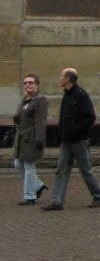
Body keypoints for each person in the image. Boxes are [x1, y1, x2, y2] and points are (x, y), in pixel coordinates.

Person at [41, 68, 100, 210]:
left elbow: (90, 117)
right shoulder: (67, 94)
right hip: (67, 140)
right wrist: (62, 133)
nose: (59, 78)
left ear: (68, 79)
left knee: (85, 169)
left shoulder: (81, 95)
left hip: (79, 140)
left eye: (62, 76)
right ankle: (57, 201)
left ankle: (99, 195)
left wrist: (75, 131)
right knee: (61, 169)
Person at [13, 73, 48, 205]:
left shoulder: (40, 100)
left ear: (37, 85)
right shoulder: (24, 100)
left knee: (29, 166)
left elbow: (41, 121)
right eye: (25, 83)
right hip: (21, 138)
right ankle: (38, 186)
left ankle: (30, 196)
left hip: (32, 137)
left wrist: (39, 139)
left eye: (31, 82)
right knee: (18, 164)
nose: (27, 85)